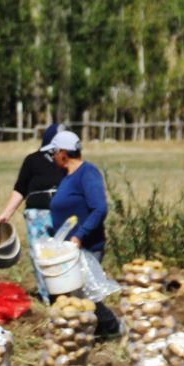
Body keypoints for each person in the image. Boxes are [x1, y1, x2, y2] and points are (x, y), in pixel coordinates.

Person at [43, 130, 121, 337]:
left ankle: (113, 328)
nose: (51, 158)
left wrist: (80, 235)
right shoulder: (66, 176)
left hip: (85, 246)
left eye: (53, 153)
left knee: (87, 295)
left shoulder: (87, 173)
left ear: (63, 153)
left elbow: (99, 208)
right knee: (71, 296)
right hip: (67, 248)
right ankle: (79, 336)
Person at [0, 123, 68, 302]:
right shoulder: (32, 161)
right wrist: (7, 212)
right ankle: (47, 296)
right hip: (37, 216)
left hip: (63, 215)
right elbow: (21, 188)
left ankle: (65, 292)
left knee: (64, 253)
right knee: (40, 255)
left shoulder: (68, 161)